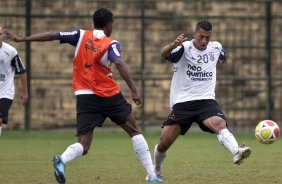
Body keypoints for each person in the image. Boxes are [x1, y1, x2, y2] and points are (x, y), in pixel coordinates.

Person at [5, 8, 164, 183]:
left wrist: (23, 38)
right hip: (108, 94)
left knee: (84, 144)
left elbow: (53, 34)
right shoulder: (111, 43)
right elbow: (118, 62)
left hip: (85, 96)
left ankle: (62, 159)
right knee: (134, 130)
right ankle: (152, 175)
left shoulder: (80, 35)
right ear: (109, 24)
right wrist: (134, 89)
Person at [153, 20, 251, 178]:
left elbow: (223, 55)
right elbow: (163, 54)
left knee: (219, 124)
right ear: (194, 34)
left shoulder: (216, 47)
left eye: (208, 37)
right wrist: (172, 45)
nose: (204, 41)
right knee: (164, 143)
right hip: (183, 102)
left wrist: (221, 60)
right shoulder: (184, 48)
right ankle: (156, 169)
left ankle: (236, 151)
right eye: (201, 37)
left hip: (206, 101)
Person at [0, 26, 28, 136]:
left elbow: (21, 71)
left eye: (0, 34)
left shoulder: (11, 51)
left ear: (3, 35)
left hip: (6, 92)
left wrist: (24, 91)